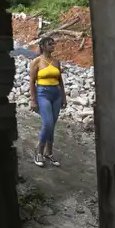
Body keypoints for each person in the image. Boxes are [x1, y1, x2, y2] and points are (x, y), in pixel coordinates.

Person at [29, 37, 67, 167]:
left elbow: (60, 80)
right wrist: (33, 100)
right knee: (48, 123)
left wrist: (64, 97)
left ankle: (49, 153)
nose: (53, 45)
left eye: (53, 43)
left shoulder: (56, 61)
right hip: (43, 93)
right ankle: (39, 151)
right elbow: (32, 82)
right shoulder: (37, 61)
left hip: (56, 94)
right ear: (43, 46)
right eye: (49, 44)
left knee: (53, 124)